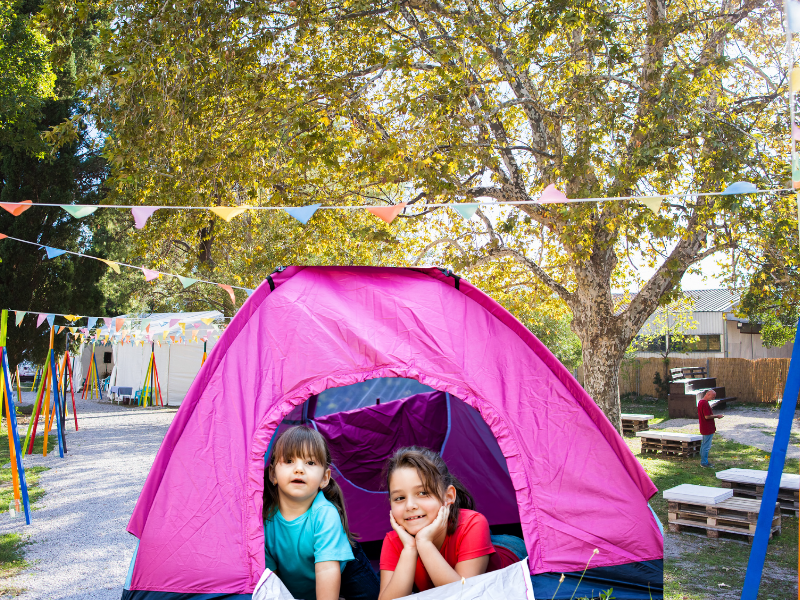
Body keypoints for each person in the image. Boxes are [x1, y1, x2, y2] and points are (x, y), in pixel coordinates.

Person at [378, 447, 525, 600]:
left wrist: (424, 543)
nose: (410, 506)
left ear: (448, 496)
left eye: (423, 493)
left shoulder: (474, 523)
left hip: (510, 548)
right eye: (399, 498)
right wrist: (410, 548)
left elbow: (464, 596)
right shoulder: (395, 541)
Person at [263, 426, 380, 600]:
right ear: (272, 473)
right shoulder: (266, 520)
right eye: (289, 461)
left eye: (310, 463)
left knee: (371, 597)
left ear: (324, 478)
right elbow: (270, 576)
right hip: (302, 582)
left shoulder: (325, 514)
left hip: (344, 566)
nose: (299, 469)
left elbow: (327, 569)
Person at [698, 390, 724, 468]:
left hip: (704, 426)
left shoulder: (700, 402)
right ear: (708, 394)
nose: (714, 398)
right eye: (713, 396)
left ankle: (703, 461)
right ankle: (704, 463)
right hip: (707, 427)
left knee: (704, 444)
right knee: (706, 446)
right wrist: (717, 416)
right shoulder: (705, 403)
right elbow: (707, 416)